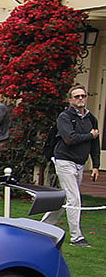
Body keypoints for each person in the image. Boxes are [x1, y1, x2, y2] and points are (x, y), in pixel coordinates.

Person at [42, 85, 100, 247]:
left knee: (65, 197)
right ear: (70, 100)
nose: (80, 99)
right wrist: (89, 135)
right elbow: (69, 138)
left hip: (80, 163)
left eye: (83, 96)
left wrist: (96, 165)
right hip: (64, 160)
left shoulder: (91, 118)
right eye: (77, 96)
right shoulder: (65, 117)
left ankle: (43, 227)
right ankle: (77, 237)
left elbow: (95, 143)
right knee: (74, 198)